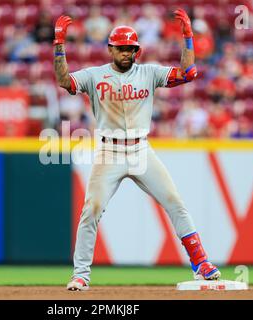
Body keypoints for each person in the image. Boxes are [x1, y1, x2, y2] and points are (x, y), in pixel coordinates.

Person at [53, 10, 221, 291]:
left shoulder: (149, 72)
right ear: (110, 49)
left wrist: (188, 37)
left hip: (141, 150)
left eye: (130, 48)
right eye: (120, 48)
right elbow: (64, 81)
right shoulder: (95, 75)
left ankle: (201, 263)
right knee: (91, 210)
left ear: (137, 50)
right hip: (109, 152)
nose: (126, 53)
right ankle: (81, 274)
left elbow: (188, 73)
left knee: (174, 202)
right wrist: (59, 44)